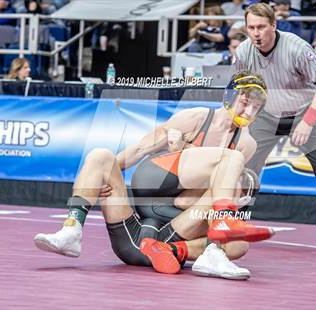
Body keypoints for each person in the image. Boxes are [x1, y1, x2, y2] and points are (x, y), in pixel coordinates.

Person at [34, 70, 274, 279]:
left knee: (239, 244)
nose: (249, 111)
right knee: (101, 157)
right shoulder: (197, 118)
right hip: (153, 189)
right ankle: (71, 229)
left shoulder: (246, 143)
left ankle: (193, 252)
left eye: (256, 107)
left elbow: (204, 196)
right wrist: (102, 178)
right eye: (245, 102)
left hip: (169, 228)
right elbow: (140, 149)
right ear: (230, 96)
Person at [235, 3, 316, 248]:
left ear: (274, 25)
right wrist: (243, 116)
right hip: (265, 113)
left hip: (302, 113)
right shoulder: (243, 51)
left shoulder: (297, 48)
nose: (256, 33)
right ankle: (235, 224)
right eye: (251, 28)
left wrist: (308, 120)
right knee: (244, 169)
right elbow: (244, 88)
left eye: (261, 27)